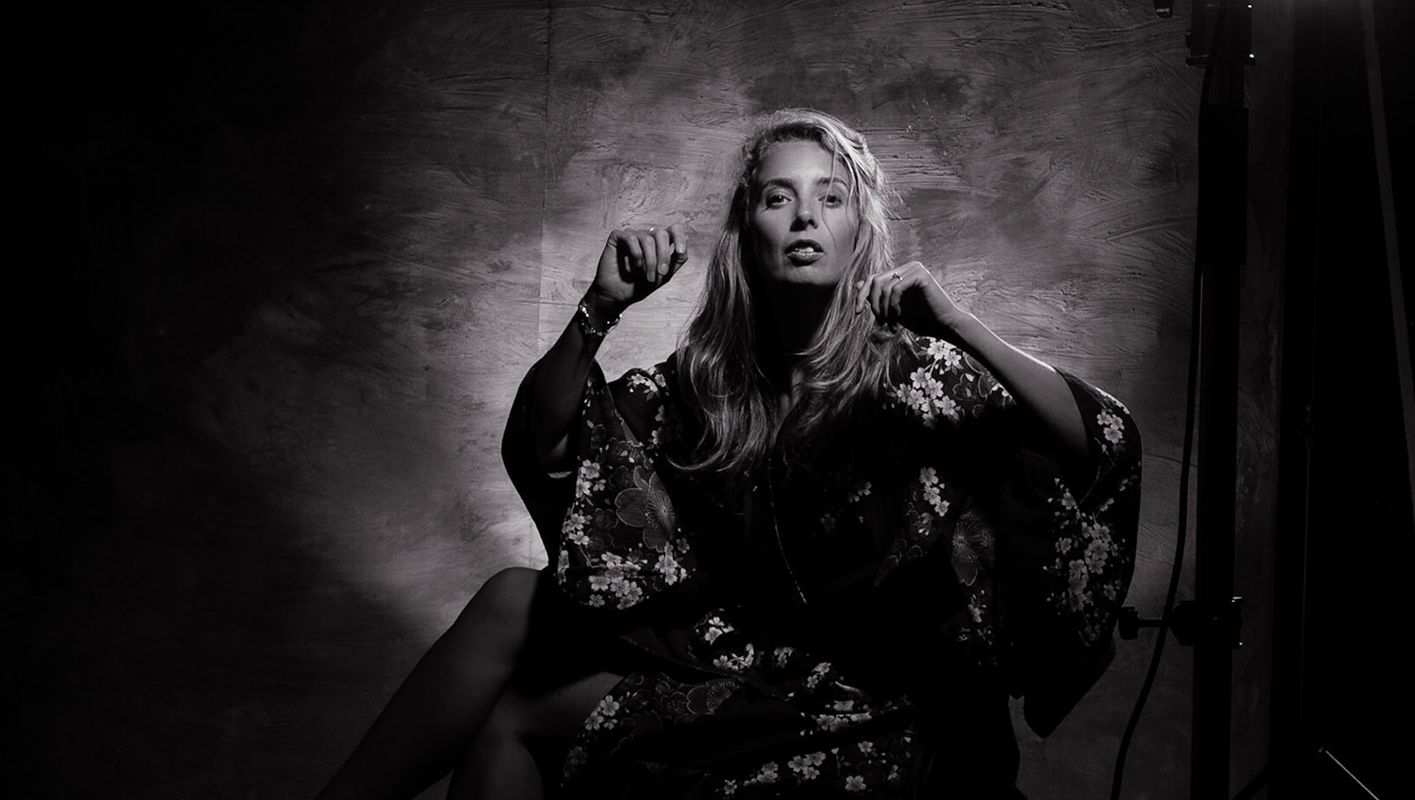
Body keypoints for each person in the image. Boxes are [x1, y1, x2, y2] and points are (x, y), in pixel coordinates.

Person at [318, 108, 1141, 799]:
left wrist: (958, 321)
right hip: (751, 673)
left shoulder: (920, 369)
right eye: (779, 198)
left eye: (831, 198)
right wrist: (600, 308)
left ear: (861, 230)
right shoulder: (708, 382)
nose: (805, 216)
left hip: (894, 707)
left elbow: (1097, 444)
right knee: (510, 622)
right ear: (748, 230)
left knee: (521, 703)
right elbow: (548, 443)